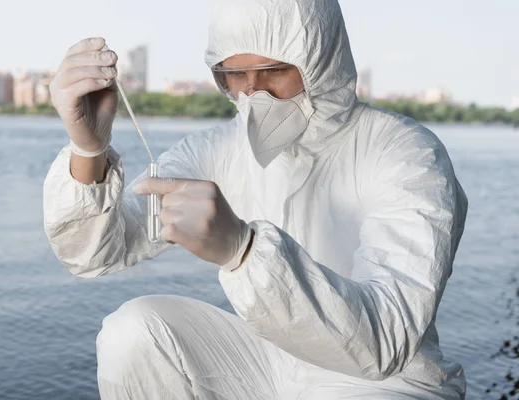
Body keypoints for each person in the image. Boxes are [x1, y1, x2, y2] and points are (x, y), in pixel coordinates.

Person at [43, 0, 468, 398]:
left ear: (321, 60)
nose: (253, 93)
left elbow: (385, 339)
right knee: (132, 333)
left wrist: (244, 250)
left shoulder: (404, 152)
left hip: (386, 382)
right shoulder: (219, 148)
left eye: (273, 70)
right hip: (265, 360)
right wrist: (88, 150)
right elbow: (96, 254)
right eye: (234, 74)